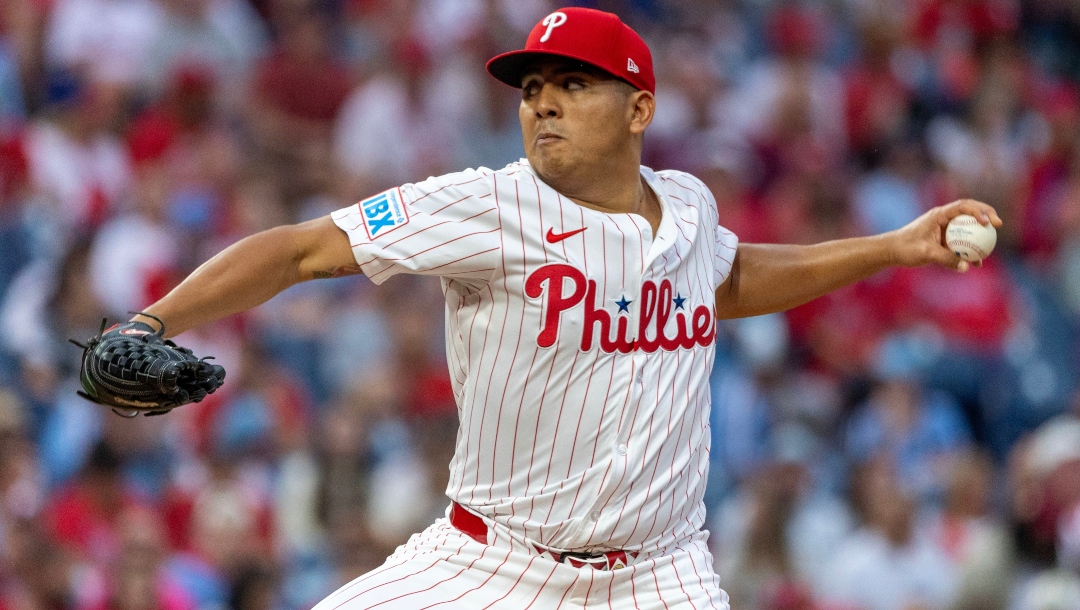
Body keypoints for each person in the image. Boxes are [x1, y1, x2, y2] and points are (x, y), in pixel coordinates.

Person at [122, 8, 1002, 609]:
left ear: (639, 109)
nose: (541, 99)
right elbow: (300, 247)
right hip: (487, 561)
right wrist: (149, 324)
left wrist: (893, 246)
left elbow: (730, 283)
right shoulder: (486, 204)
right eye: (533, 84)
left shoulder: (690, 208)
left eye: (574, 83)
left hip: (659, 577)